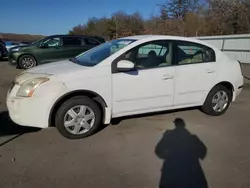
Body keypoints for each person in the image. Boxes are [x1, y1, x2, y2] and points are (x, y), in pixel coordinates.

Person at [155, 118, 208, 188]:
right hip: (191, 169)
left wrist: (167, 156)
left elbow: (158, 150)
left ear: (175, 125)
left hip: (172, 169)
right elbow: (203, 151)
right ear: (183, 125)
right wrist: (196, 155)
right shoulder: (192, 138)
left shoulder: (169, 137)